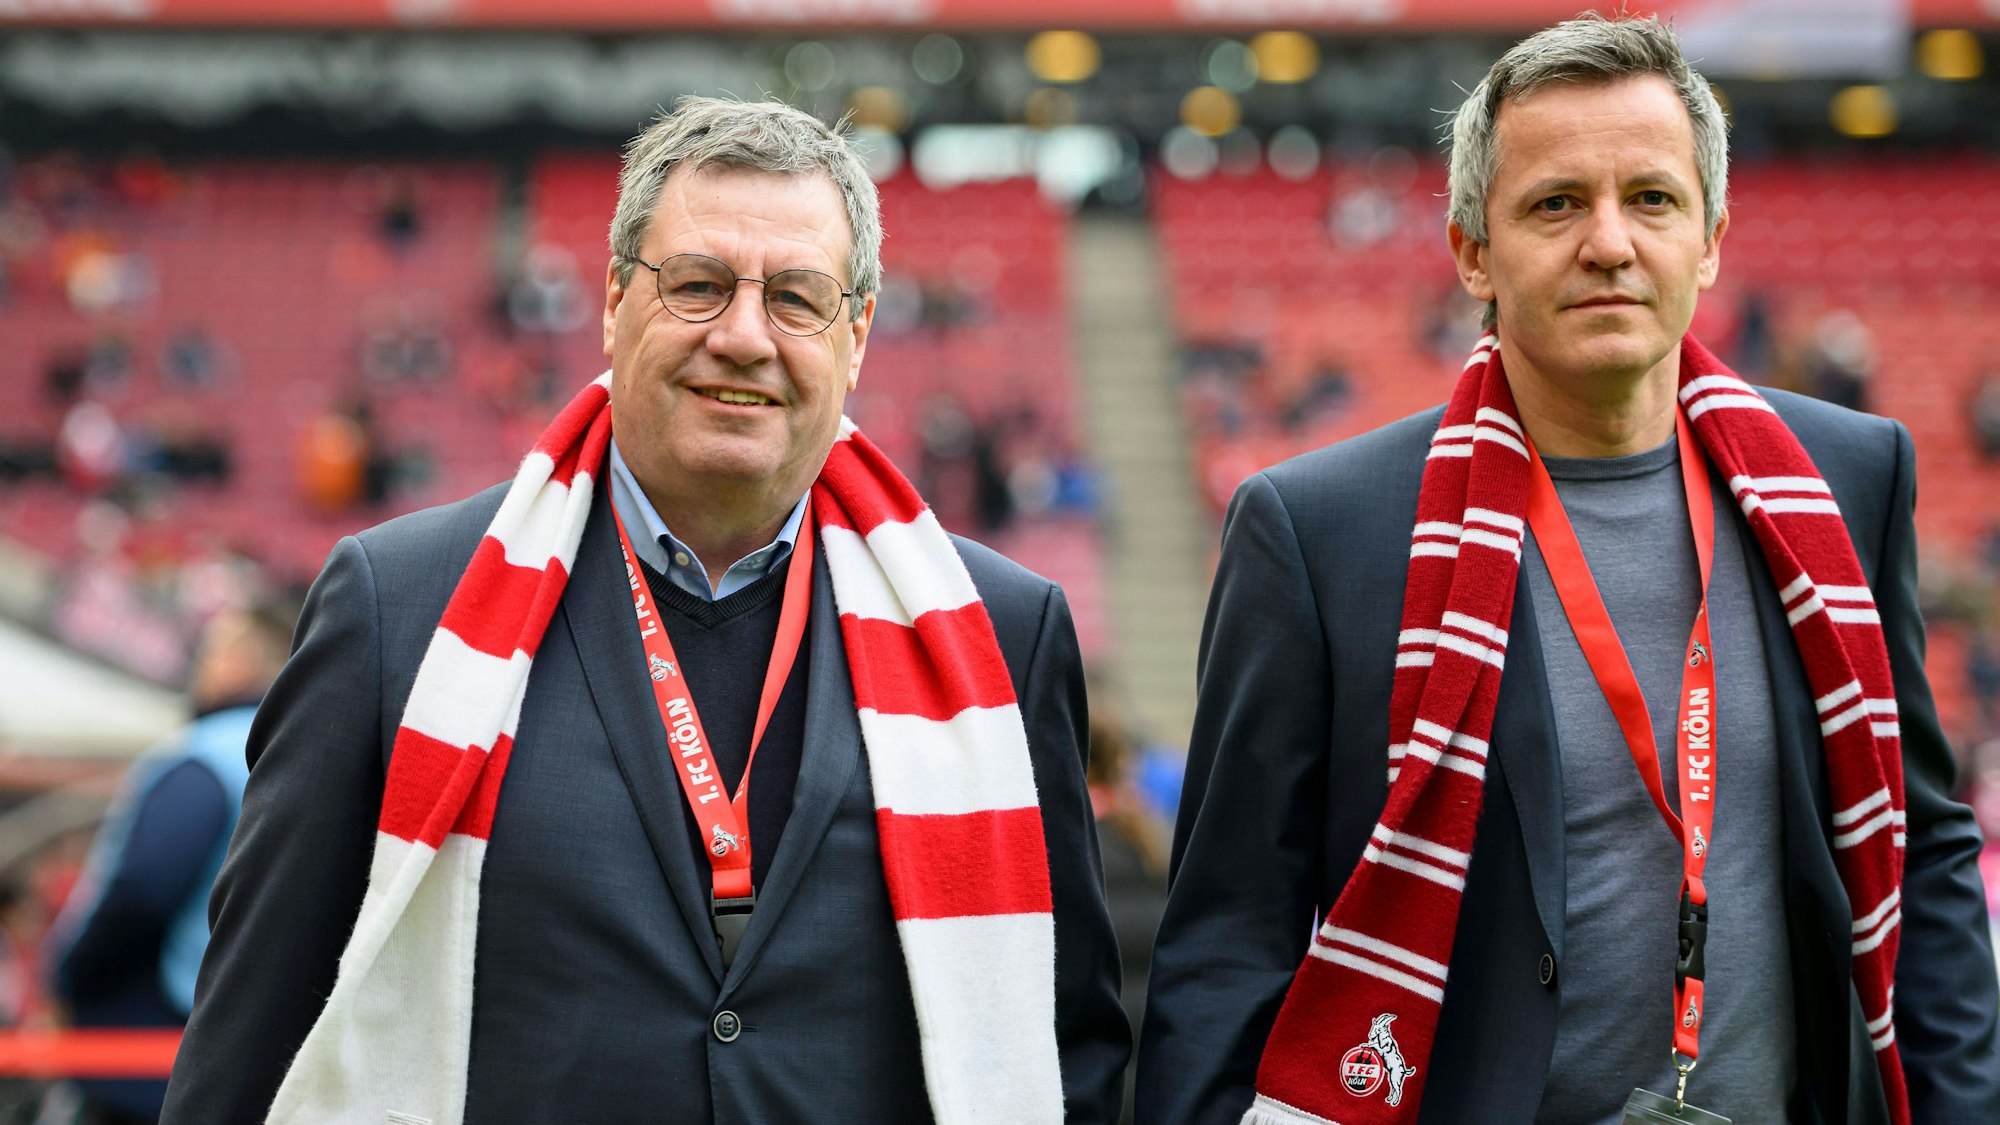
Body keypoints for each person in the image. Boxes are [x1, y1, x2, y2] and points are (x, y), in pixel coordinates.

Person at [161, 98, 1127, 1124]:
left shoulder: (1001, 637)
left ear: (855, 335)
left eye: (795, 299)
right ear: (616, 301)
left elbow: (1066, 1051)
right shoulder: (397, 609)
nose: (744, 337)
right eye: (699, 286)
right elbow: (252, 1041)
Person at [1139, 16, 2000, 1125]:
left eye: (1649, 199)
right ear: (1471, 252)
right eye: (1555, 204)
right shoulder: (1314, 533)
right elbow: (1226, 936)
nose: (1607, 242)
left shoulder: (1844, 479)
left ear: (1709, 239)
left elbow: (1918, 850)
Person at [47, 599, 296, 1124]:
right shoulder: (302, 755)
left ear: (240, 663)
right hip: (248, 1039)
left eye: (212, 650)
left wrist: (74, 975)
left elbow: (140, 886)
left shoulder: (206, 756)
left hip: (152, 1040)